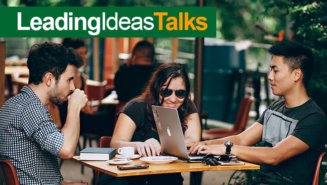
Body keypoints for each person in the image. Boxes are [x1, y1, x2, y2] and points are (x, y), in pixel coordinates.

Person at [189, 40, 327, 185]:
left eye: (275, 71)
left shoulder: (313, 118)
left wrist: (227, 149)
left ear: (296, 75)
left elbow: (275, 155)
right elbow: (242, 139)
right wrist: (203, 145)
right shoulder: (275, 108)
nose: (270, 76)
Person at [0, 42, 88, 184]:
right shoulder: (31, 108)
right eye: (69, 79)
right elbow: (66, 150)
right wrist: (74, 107)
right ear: (49, 79)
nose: (73, 87)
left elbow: (29, 168)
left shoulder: (15, 103)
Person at [99, 63, 201, 185]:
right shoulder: (136, 107)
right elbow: (115, 143)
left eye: (180, 93)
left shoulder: (187, 106)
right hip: (127, 175)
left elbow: (193, 140)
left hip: (165, 175)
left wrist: (163, 145)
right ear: (156, 88)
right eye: (166, 92)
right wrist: (140, 146)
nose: (173, 99)